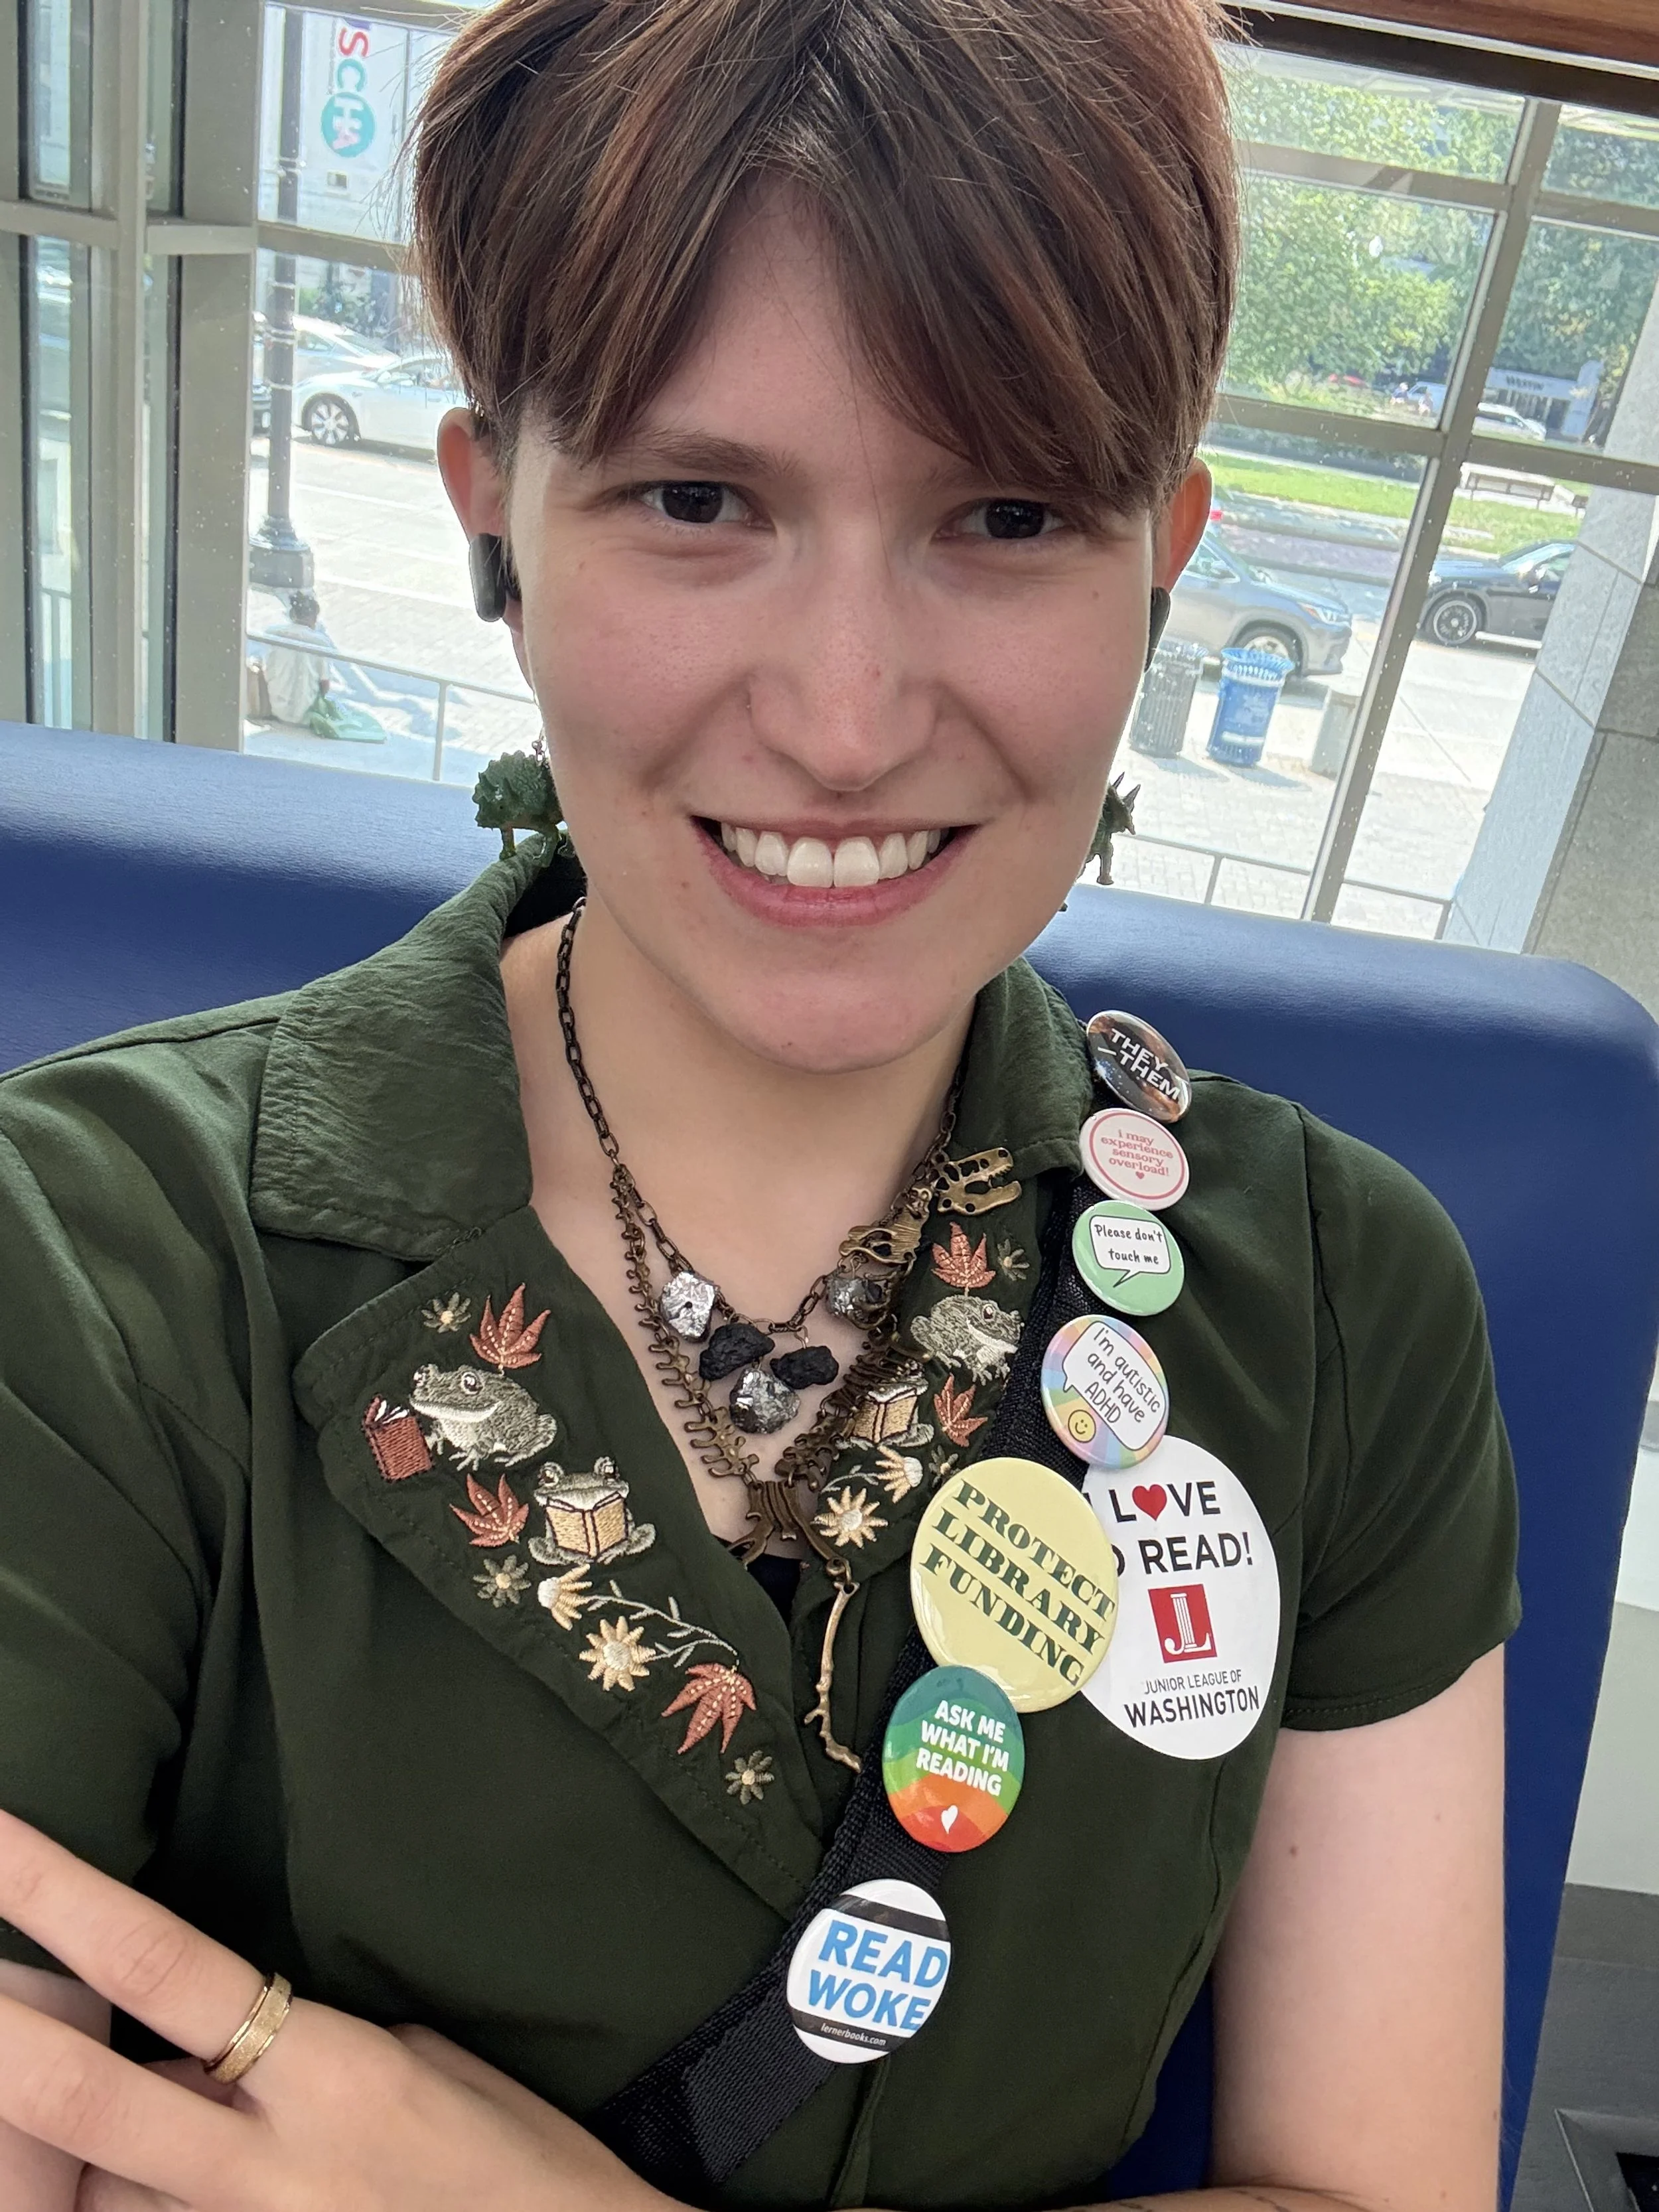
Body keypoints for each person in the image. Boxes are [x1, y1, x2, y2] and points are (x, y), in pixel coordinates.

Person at [0, 0, 1517, 2208]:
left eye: (1004, 514)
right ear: (493, 521)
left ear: (1162, 560)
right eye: (696, 499)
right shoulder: (95, 1263)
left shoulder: (1336, 1308)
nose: (840, 715)